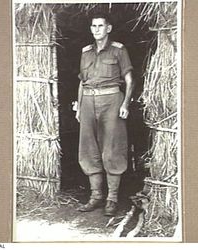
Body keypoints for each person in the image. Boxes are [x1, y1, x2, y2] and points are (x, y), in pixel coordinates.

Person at [75, 12, 134, 216]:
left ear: (108, 28)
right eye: (93, 26)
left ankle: (112, 199)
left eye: (100, 26)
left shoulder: (119, 50)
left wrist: (125, 103)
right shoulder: (86, 52)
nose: (96, 29)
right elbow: (82, 82)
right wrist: (79, 107)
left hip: (112, 101)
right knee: (88, 148)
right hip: (88, 102)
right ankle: (96, 196)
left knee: (112, 148)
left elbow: (129, 79)